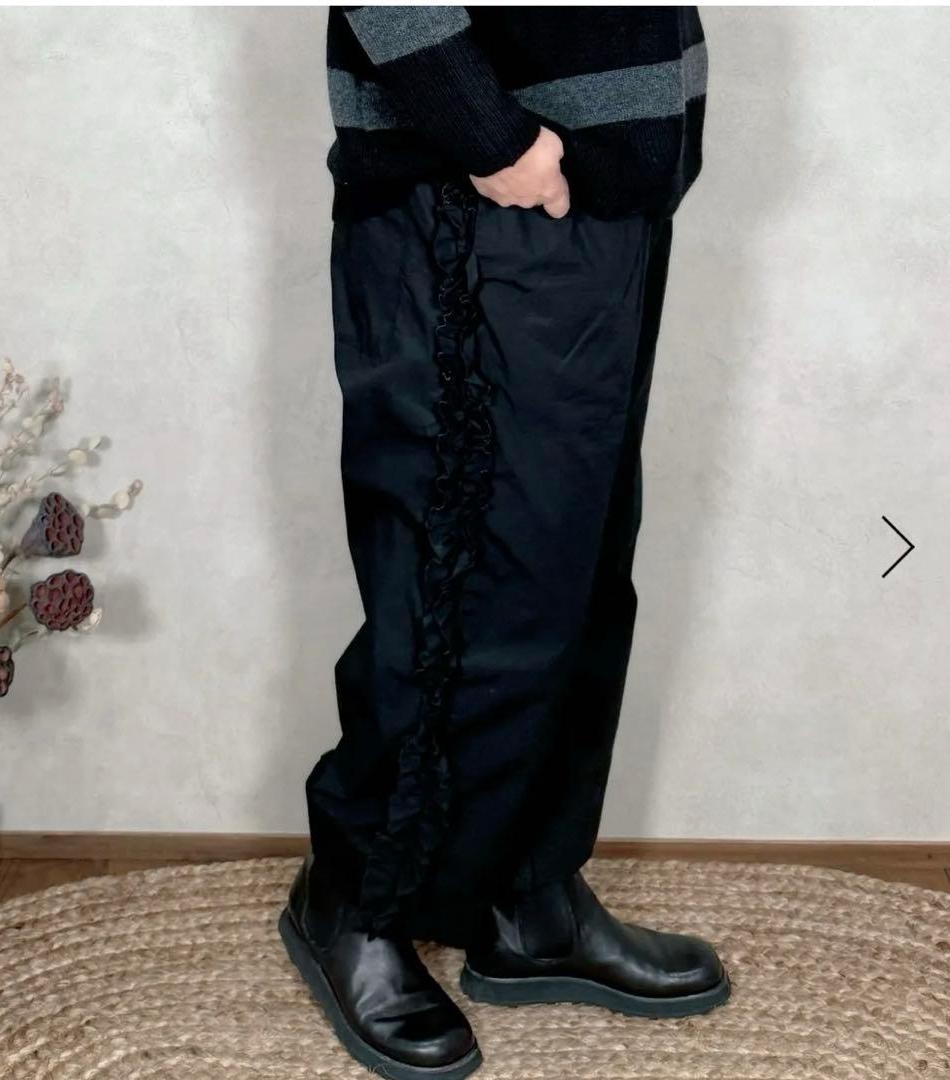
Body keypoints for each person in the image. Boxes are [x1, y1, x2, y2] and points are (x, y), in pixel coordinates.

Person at [278, 7, 729, 1078]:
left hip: (602, 178)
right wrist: (491, 136)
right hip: (474, 176)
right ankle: (355, 901)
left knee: (571, 573)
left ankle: (527, 898)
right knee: (463, 573)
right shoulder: (493, 155)